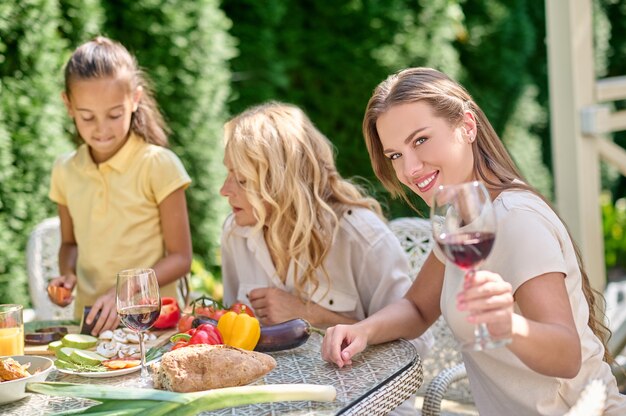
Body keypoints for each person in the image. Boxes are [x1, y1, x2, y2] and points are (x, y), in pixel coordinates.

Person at [321, 67, 626, 415]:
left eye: (420, 140)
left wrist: (509, 325)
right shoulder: (458, 217)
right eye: (395, 155)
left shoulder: (516, 218)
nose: (409, 169)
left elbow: (566, 355)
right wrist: (361, 330)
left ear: (467, 126)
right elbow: (419, 308)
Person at [219, 101, 433, 357]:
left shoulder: (361, 237)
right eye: (228, 174)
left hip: (357, 393)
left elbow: (415, 345)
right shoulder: (235, 234)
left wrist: (311, 315)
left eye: (241, 180)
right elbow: (231, 335)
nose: (224, 191)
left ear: (282, 184)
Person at [47, 37, 193, 335]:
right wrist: (67, 274)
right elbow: (70, 243)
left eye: (114, 115)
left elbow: (181, 257)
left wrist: (124, 297)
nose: (101, 129)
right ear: (68, 105)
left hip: (152, 323)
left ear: (135, 100)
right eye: (87, 117)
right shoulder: (64, 169)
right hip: (90, 324)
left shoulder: (159, 164)